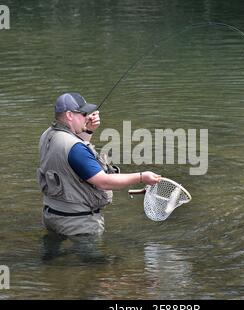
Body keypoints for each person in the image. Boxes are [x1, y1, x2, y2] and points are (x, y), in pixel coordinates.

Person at [37, 92, 160, 237]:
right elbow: (104, 182)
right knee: (93, 260)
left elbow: (70, 157)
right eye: (83, 113)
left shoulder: (48, 135)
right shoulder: (76, 148)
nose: (88, 117)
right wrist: (141, 177)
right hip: (78, 224)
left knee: (54, 258)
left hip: (51, 215)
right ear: (70, 115)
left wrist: (87, 129)